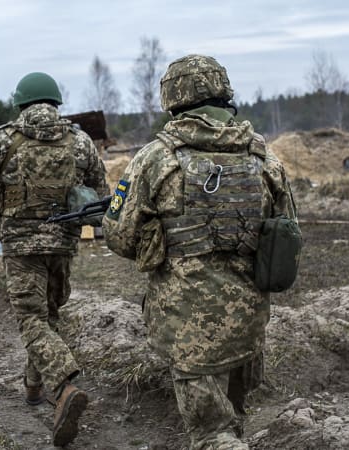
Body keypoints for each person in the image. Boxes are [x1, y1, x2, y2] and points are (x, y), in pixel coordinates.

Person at [103, 55, 298, 450]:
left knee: (212, 435)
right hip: (248, 322)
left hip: (186, 327)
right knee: (233, 421)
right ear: (224, 92)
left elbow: (119, 236)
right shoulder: (264, 156)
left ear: (171, 99)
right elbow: (287, 233)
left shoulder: (155, 158)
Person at [0, 72, 109, 447]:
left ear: (21, 104)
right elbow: (101, 192)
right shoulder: (81, 140)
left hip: (21, 245)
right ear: (56, 102)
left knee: (31, 319)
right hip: (64, 241)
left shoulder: (0, 139)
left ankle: (64, 383)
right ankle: (34, 386)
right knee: (50, 313)